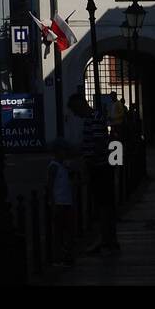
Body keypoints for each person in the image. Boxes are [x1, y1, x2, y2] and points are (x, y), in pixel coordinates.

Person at [68, 90, 119, 253]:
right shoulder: (93, 118)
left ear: (80, 105)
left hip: (99, 167)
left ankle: (107, 240)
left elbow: (97, 144)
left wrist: (85, 161)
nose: (76, 115)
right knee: (105, 205)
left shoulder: (94, 119)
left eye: (75, 111)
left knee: (103, 205)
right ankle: (108, 239)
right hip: (101, 166)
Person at [45, 138, 76, 265]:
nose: (66, 154)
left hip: (66, 202)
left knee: (67, 231)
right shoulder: (54, 167)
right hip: (59, 203)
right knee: (59, 232)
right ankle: (58, 256)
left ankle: (65, 254)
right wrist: (52, 203)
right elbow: (50, 186)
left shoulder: (64, 166)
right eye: (64, 151)